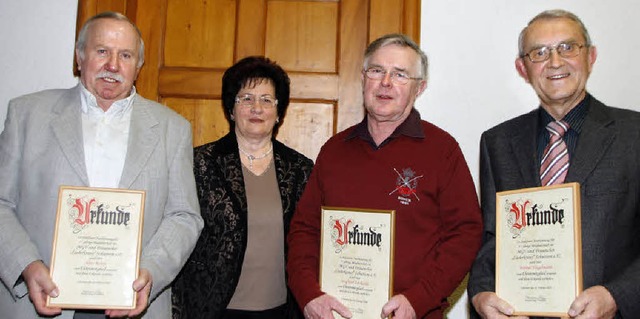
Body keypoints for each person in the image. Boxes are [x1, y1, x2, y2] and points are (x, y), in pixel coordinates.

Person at [0, 11, 203, 319]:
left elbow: (184, 216)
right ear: (79, 57)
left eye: (125, 55)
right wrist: (26, 265)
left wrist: (152, 271)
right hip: (38, 303)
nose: (113, 65)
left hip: (135, 305)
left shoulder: (172, 129)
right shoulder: (26, 114)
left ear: (138, 67)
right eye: (102, 51)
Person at [286, 33, 483, 319]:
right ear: (364, 78)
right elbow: (305, 230)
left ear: (420, 88)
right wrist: (308, 295)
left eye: (400, 74)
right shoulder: (334, 150)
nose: (386, 82)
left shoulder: (442, 150)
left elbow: (465, 233)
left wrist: (418, 299)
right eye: (377, 70)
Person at [467, 9, 640, 319]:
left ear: (591, 56)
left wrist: (616, 296)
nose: (556, 62)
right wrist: (480, 292)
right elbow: (492, 240)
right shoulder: (497, 142)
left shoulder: (634, 134)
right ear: (523, 68)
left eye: (568, 47)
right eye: (540, 52)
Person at [171, 56, 313, 319]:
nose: (256, 108)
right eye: (246, 98)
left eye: (266, 100)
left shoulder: (300, 169)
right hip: (213, 309)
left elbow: (309, 240)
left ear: (279, 112)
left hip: (282, 311)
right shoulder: (200, 163)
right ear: (231, 110)